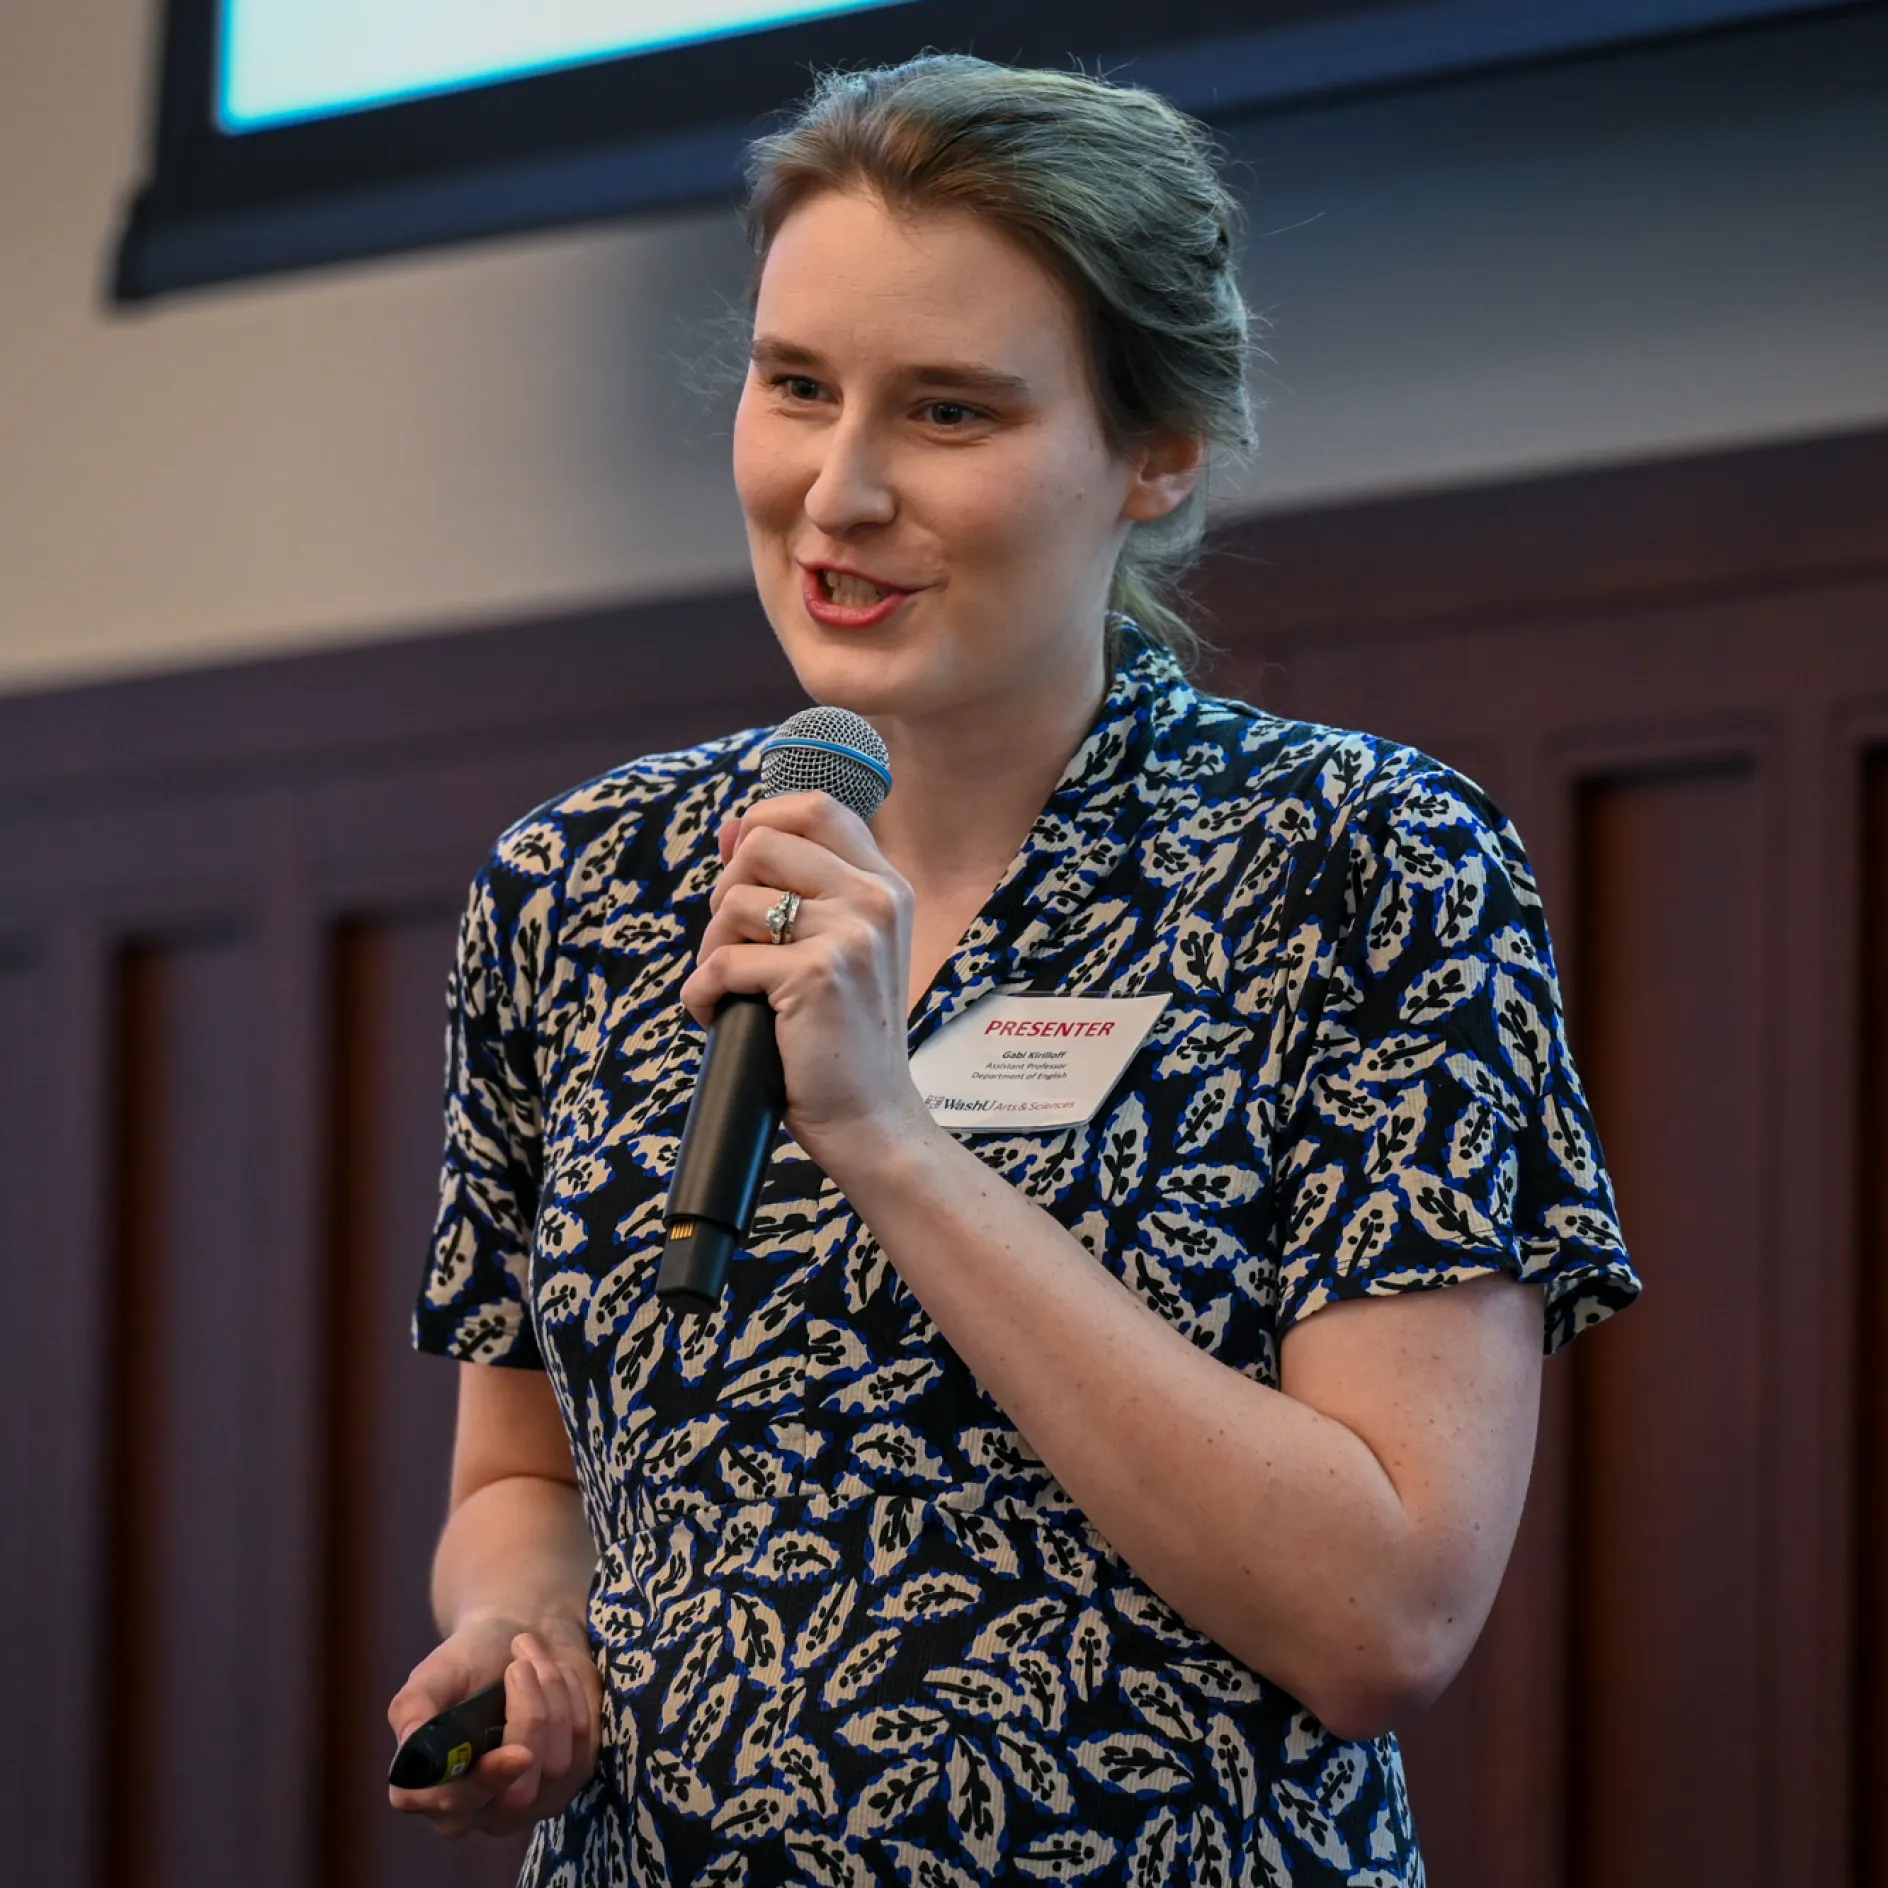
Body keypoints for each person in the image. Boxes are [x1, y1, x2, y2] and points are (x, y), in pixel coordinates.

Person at [388, 54, 1638, 1885]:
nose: (839, 489)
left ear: (1158, 451)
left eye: (950, 412)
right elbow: (525, 1474)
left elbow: (1385, 1617)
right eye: (796, 386)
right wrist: (520, 1640)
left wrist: (892, 1141)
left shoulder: (1362, 863)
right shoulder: (579, 885)